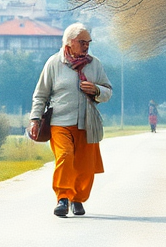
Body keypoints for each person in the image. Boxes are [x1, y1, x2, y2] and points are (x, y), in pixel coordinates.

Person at [29, 22, 113, 217]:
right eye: (82, 42)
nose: (86, 46)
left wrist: (96, 90)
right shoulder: (53, 63)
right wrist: (35, 118)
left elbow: (108, 91)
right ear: (69, 43)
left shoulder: (95, 65)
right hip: (60, 122)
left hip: (87, 123)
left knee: (85, 166)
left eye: (88, 42)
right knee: (65, 156)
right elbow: (40, 94)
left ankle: (77, 199)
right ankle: (63, 198)